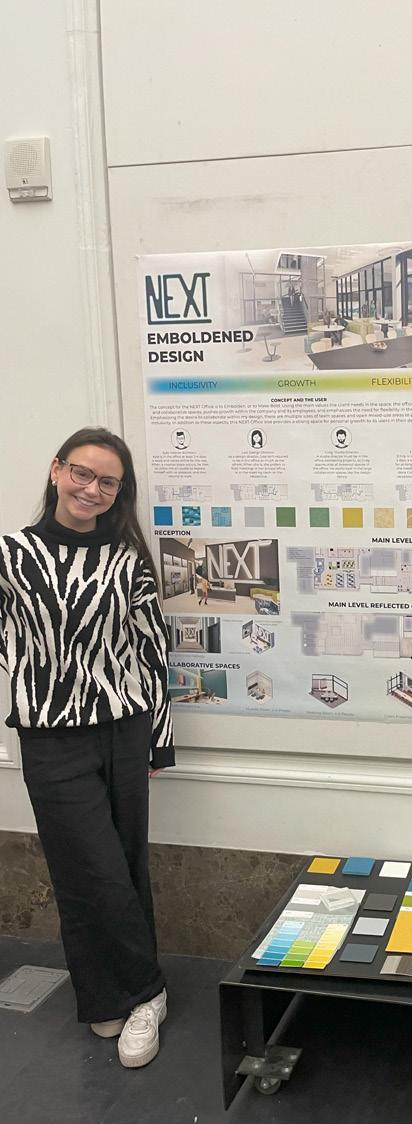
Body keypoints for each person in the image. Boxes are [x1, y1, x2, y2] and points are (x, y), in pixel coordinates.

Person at [0, 427, 174, 1069]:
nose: (91, 489)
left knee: (123, 863)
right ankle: (134, 990)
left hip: (123, 730)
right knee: (84, 871)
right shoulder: (11, 555)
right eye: (82, 473)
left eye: (108, 482)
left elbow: (153, 652)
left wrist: (158, 741)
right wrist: (34, 677)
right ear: (56, 471)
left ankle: (139, 998)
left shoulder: (128, 561)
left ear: (118, 492)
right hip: (49, 737)